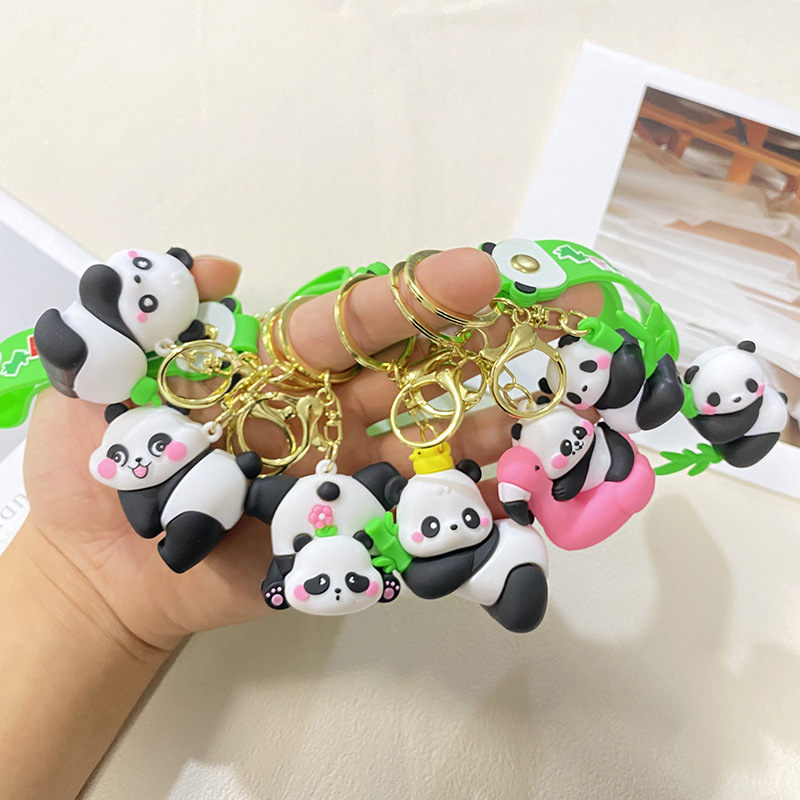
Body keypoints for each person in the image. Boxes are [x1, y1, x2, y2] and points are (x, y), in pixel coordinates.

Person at [0, 247, 601, 800]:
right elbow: (315, 506)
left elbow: (323, 511)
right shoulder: (284, 495)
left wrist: (86, 594)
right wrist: (82, 581)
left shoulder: (328, 513)